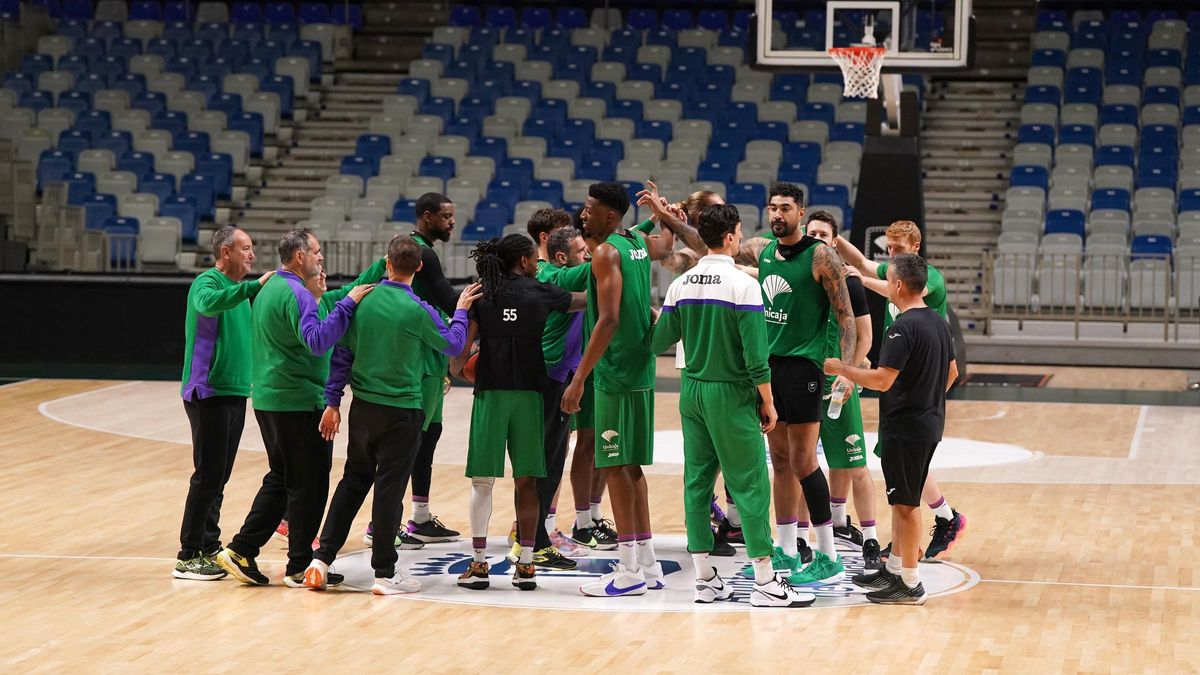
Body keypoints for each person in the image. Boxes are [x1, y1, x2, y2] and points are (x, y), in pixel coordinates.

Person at [645, 182, 857, 586]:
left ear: (801, 212)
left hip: (804, 369)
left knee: (804, 460)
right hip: (769, 368)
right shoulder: (762, 250)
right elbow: (705, 241)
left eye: (786, 208)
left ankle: (828, 553)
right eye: (773, 207)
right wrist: (668, 216)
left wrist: (845, 371)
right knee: (778, 462)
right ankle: (788, 548)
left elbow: (845, 317)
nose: (778, 214)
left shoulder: (820, 255)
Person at [304, 236, 479, 595]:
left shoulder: (361, 302)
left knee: (352, 482)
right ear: (418, 267)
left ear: (386, 263)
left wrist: (333, 400)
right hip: (402, 412)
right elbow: (452, 344)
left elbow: (342, 357)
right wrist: (461, 310)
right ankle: (384, 572)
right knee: (389, 490)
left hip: (364, 409)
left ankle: (321, 558)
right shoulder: (418, 310)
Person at [215, 228, 373, 587]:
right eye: (316, 252)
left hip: (270, 398)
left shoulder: (271, 287)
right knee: (309, 484)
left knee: (283, 477)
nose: (321, 258)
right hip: (298, 400)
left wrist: (356, 288)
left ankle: (241, 549)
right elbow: (317, 342)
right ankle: (299, 565)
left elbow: (321, 308)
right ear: (299, 256)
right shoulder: (298, 293)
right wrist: (348, 306)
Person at [450, 234, 586, 591]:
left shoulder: (481, 293)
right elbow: (586, 301)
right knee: (527, 480)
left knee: (482, 482)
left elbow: (457, 361)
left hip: (491, 393)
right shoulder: (540, 291)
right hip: (530, 394)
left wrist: (462, 316)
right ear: (526, 262)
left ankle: (479, 565)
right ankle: (526, 565)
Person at [824, 253, 958, 604]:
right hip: (926, 423)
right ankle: (895, 568)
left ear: (898, 285)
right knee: (903, 500)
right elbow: (953, 372)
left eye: (888, 281)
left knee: (906, 506)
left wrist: (843, 367)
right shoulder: (939, 322)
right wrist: (929, 401)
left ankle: (911, 583)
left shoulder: (903, 326)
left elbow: (882, 381)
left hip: (906, 426)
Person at [562, 182, 675, 597]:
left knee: (613, 466)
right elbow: (663, 245)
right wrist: (663, 215)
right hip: (640, 367)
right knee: (630, 468)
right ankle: (646, 564)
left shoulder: (608, 252)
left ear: (610, 215)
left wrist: (579, 380)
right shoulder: (635, 242)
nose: (583, 214)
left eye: (591, 209)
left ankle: (627, 571)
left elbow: (607, 319)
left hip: (616, 371)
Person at [174, 226, 273, 580]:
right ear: (225, 252)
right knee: (208, 475)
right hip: (208, 391)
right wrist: (252, 287)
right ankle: (187, 554)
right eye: (245, 248)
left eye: (252, 248)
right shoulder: (209, 283)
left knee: (220, 475)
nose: (252, 254)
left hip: (234, 391)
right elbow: (207, 305)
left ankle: (208, 544)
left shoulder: (239, 293)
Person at [370, 191, 463, 547]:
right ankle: (383, 524)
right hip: (420, 362)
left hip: (432, 360)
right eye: (446, 216)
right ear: (427, 217)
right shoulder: (420, 252)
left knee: (428, 438)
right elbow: (449, 300)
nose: (452, 222)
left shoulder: (423, 250)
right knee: (408, 444)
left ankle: (419, 517)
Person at [804, 211, 881, 569]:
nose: (817, 237)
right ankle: (802, 539)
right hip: (803, 381)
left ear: (834, 242)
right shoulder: (798, 276)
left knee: (854, 464)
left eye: (824, 234)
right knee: (802, 465)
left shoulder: (849, 283)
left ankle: (870, 539)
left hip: (839, 382)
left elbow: (865, 337)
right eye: (812, 232)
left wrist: (850, 373)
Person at [520, 211, 593, 566]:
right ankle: (531, 540)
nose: (588, 255)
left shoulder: (553, 272)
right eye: (582, 250)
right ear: (563, 256)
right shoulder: (558, 276)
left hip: (557, 376)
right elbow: (609, 261)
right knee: (545, 462)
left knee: (551, 460)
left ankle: (534, 535)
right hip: (549, 379)